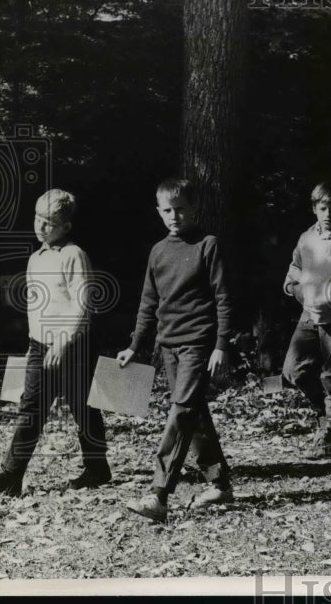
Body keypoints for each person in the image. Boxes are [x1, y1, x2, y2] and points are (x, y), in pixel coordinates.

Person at [118, 178, 234, 523]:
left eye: (181, 208)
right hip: (167, 345)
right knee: (194, 413)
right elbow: (148, 302)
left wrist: (221, 345)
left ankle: (159, 494)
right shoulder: (158, 251)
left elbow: (223, 298)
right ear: (159, 212)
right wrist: (135, 346)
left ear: (193, 208)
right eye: (167, 210)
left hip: (198, 343)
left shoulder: (208, 245)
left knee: (181, 412)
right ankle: (220, 482)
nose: (174, 216)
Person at [0, 189, 111, 496]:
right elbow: (38, 306)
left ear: (66, 226)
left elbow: (82, 305)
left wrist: (63, 342)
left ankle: (97, 468)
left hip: (73, 347)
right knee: (30, 409)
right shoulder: (36, 258)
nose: (42, 226)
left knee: (84, 410)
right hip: (39, 347)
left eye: (50, 222)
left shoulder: (74, 255)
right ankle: (10, 475)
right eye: (38, 219)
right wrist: (33, 344)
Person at [282, 182, 331, 459]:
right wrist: (293, 287)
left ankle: (326, 436)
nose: (328, 214)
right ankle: (323, 415)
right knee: (293, 371)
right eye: (323, 208)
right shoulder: (306, 238)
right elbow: (295, 267)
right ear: (314, 209)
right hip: (308, 314)